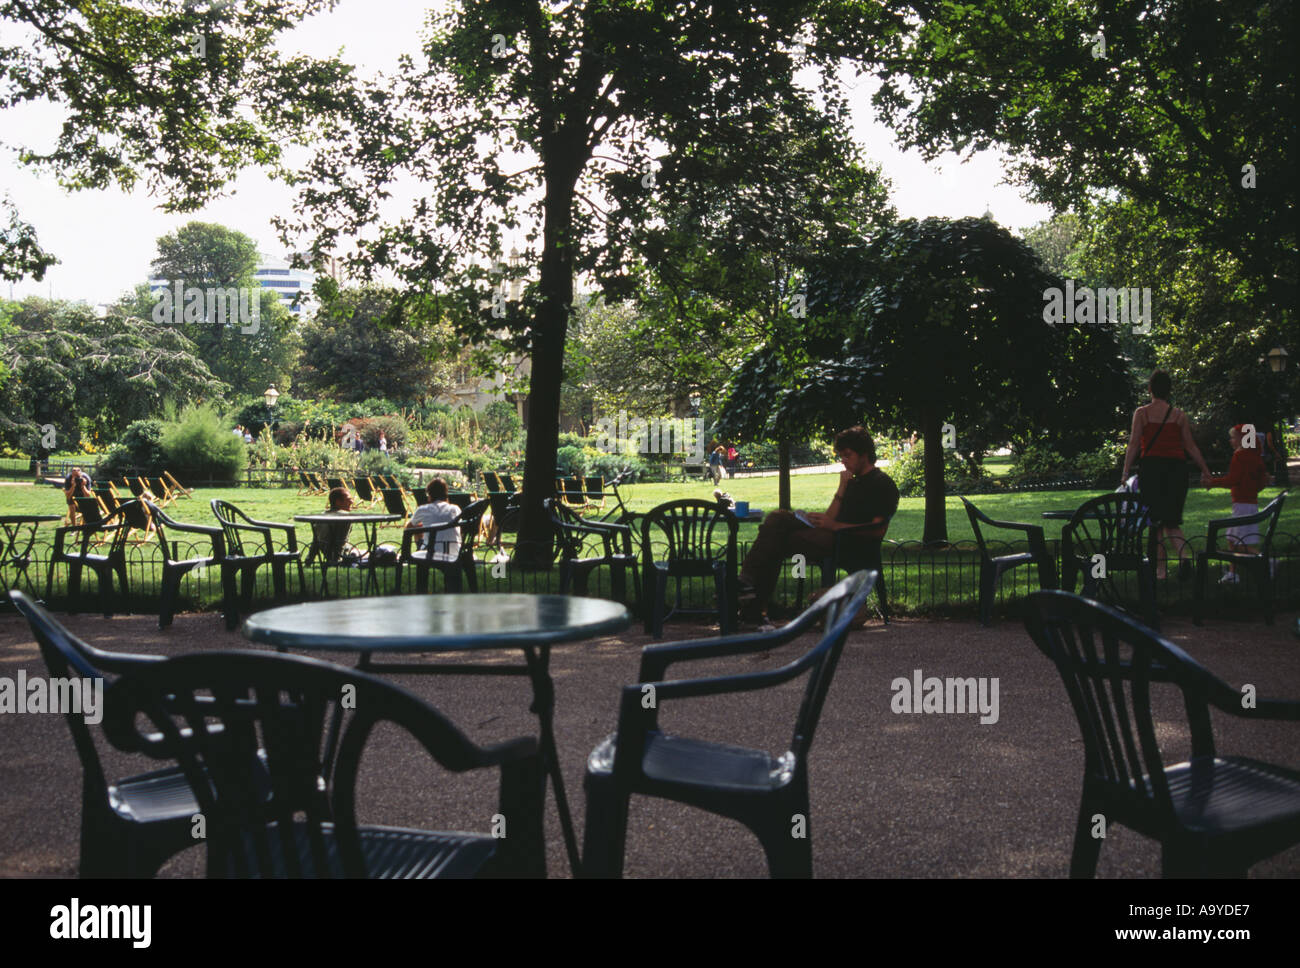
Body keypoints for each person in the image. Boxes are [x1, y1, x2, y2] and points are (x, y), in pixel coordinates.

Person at [737, 426, 899, 624]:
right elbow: (831, 517)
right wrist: (832, 502)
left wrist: (835, 526)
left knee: (776, 538)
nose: (843, 461)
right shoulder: (852, 481)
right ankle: (751, 595)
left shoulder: (882, 483)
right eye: (841, 456)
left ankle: (750, 596)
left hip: (851, 542)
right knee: (777, 519)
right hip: (831, 535)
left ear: (864, 454)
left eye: (848, 455)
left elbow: (877, 529)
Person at [1120, 370, 1212, 580]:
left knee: (1156, 522)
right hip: (1177, 470)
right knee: (1171, 520)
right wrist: (1205, 471)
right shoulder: (1179, 415)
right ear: (1169, 390)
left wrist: (1125, 472)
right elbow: (1190, 446)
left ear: (1150, 389)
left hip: (1152, 469)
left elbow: (1134, 444)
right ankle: (1184, 557)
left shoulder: (1142, 413)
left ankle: (1160, 571)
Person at [1202, 424, 1273, 582]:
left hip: (1242, 504)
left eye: (1233, 437)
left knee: (1240, 544)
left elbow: (1232, 480)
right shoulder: (1255, 456)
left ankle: (1267, 563)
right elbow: (1262, 481)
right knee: (1232, 538)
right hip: (1250, 502)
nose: (1230, 440)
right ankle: (1233, 573)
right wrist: (1252, 489)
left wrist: (1212, 482)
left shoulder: (1239, 456)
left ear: (1242, 438)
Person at [405, 477, 461, 561]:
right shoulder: (455, 509)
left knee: (417, 530)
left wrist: (423, 527)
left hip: (431, 551)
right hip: (454, 551)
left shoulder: (423, 509)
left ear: (429, 494)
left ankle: (419, 554)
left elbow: (408, 528)